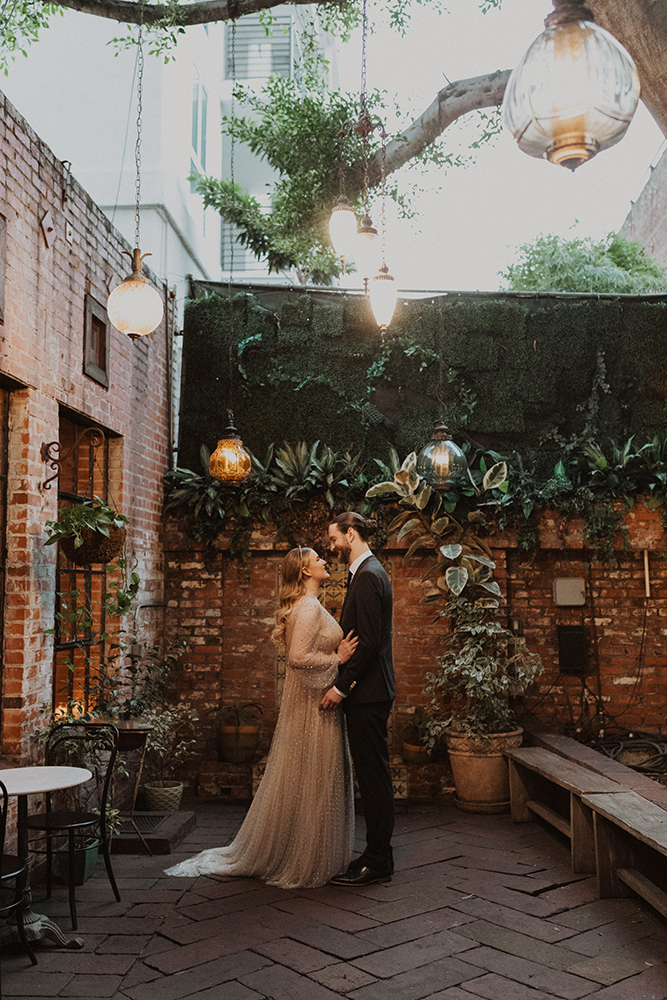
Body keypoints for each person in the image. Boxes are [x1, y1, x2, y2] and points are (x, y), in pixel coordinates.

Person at [165, 547, 358, 890]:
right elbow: (298, 659)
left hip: (311, 703)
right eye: (317, 560)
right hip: (314, 707)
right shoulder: (310, 607)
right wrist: (338, 659)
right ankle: (301, 857)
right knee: (313, 777)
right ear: (303, 571)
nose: (325, 562)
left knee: (305, 778)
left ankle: (298, 848)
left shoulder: (307, 606)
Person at [321, 511, 396, 887]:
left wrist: (340, 687)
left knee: (375, 778)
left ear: (351, 534)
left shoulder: (367, 577)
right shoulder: (367, 573)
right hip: (369, 693)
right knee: (372, 776)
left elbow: (367, 643)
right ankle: (374, 854)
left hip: (368, 694)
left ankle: (379, 860)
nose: (331, 547)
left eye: (334, 539)